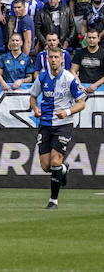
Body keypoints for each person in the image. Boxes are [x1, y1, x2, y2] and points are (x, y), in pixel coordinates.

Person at [31, 45, 87, 209]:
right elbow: (33, 97)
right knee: (46, 165)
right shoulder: (42, 78)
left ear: (62, 59)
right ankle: (63, 169)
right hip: (45, 124)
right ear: (47, 59)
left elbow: (81, 103)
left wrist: (68, 111)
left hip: (64, 124)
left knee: (55, 160)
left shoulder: (69, 79)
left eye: (56, 57)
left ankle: (53, 200)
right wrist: (35, 109)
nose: (54, 60)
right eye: (51, 57)